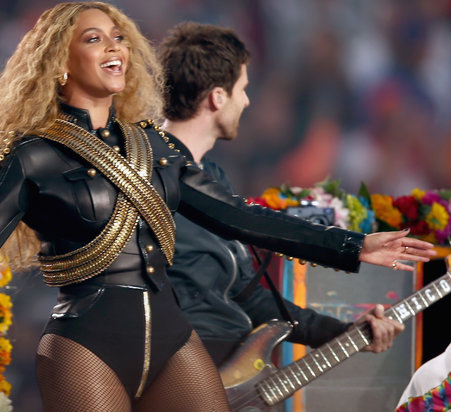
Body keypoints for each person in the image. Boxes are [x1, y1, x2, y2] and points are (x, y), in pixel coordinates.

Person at [0, 3, 435, 411]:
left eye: (119, 35)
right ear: (61, 63)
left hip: (173, 340)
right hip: (86, 344)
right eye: (94, 39)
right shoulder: (33, 157)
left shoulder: (157, 147)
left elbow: (241, 217)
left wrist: (354, 245)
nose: (115, 46)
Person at [158, 22, 406, 366]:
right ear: (217, 97)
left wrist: (345, 333)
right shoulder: (152, 171)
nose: (246, 101)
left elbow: (250, 298)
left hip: (229, 367)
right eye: (243, 89)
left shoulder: (213, 177)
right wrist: (355, 246)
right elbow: (246, 223)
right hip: (183, 366)